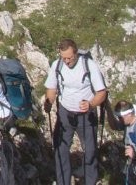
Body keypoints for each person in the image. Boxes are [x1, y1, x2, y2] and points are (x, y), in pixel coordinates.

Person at [44, 38, 107, 185]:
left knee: (90, 150)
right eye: (63, 57)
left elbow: (101, 92)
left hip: (86, 115)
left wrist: (91, 104)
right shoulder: (57, 65)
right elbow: (52, 88)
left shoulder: (88, 65)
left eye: (69, 58)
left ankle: (90, 181)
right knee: (60, 148)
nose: (66, 61)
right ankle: (63, 182)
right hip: (65, 113)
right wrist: (49, 102)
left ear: (76, 53)